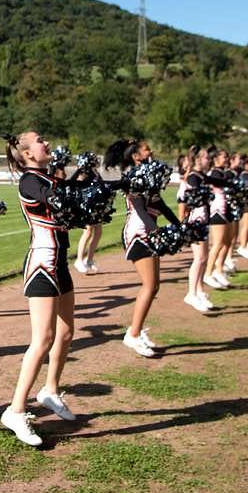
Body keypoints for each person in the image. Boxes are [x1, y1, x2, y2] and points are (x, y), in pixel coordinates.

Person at [0, 131, 77, 446]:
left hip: (60, 263)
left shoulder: (48, 178)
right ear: (28, 153)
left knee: (67, 332)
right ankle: (16, 410)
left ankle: (50, 391)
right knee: (42, 339)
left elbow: (70, 191)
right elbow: (59, 198)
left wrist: (120, 185)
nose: (46, 143)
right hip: (42, 265)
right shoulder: (30, 182)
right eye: (40, 140)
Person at [106, 139, 181, 358]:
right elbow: (138, 206)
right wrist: (153, 230)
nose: (152, 150)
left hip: (149, 229)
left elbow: (159, 204)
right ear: (136, 156)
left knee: (154, 285)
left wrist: (178, 225)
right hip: (139, 232)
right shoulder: (134, 177)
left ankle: (135, 331)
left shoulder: (149, 175)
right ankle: (133, 334)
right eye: (147, 148)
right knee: (149, 285)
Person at [177, 145, 221, 312]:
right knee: (200, 258)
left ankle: (199, 292)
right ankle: (191, 293)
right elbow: (190, 200)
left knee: (203, 257)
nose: (207, 159)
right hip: (196, 220)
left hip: (203, 219)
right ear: (196, 160)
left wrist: (232, 182)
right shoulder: (194, 177)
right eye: (204, 157)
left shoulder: (201, 176)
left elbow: (218, 182)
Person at [203, 148, 232, 290]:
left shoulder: (221, 172)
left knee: (226, 242)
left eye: (227, 157)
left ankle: (218, 270)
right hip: (217, 211)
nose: (226, 159)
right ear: (216, 159)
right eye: (224, 157)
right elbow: (222, 183)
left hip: (225, 210)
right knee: (218, 243)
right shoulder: (215, 172)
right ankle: (208, 273)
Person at [74, 160, 105, 275]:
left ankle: (89, 259)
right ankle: (79, 260)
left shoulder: (95, 173)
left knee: (98, 232)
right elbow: (78, 189)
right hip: (86, 207)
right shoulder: (82, 173)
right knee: (87, 231)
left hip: (96, 207)